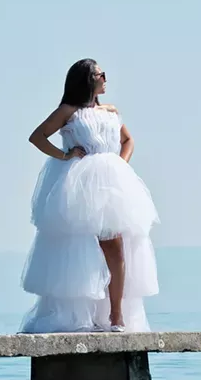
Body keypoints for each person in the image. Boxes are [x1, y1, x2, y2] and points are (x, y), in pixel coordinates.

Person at [18, 59, 160, 332]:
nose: (105, 78)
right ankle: (79, 315)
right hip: (79, 185)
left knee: (115, 246)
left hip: (111, 183)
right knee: (79, 249)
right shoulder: (68, 111)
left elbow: (128, 140)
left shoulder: (110, 111)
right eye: (100, 74)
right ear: (87, 79)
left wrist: (119, 165)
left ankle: (116, 315)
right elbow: (38, 136)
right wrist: (65, 155)